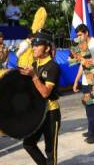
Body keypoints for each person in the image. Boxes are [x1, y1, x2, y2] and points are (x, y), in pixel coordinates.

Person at [19, 29, 61, 165]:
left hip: (51, 113)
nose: (34, 48)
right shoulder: (34, 64)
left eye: (38, 45)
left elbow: (45, 93)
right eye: (33, 45)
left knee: (50, 152)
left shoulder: (53, 66)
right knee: (28, 144)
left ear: (47, 48)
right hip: (38, 113)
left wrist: (34, 76)